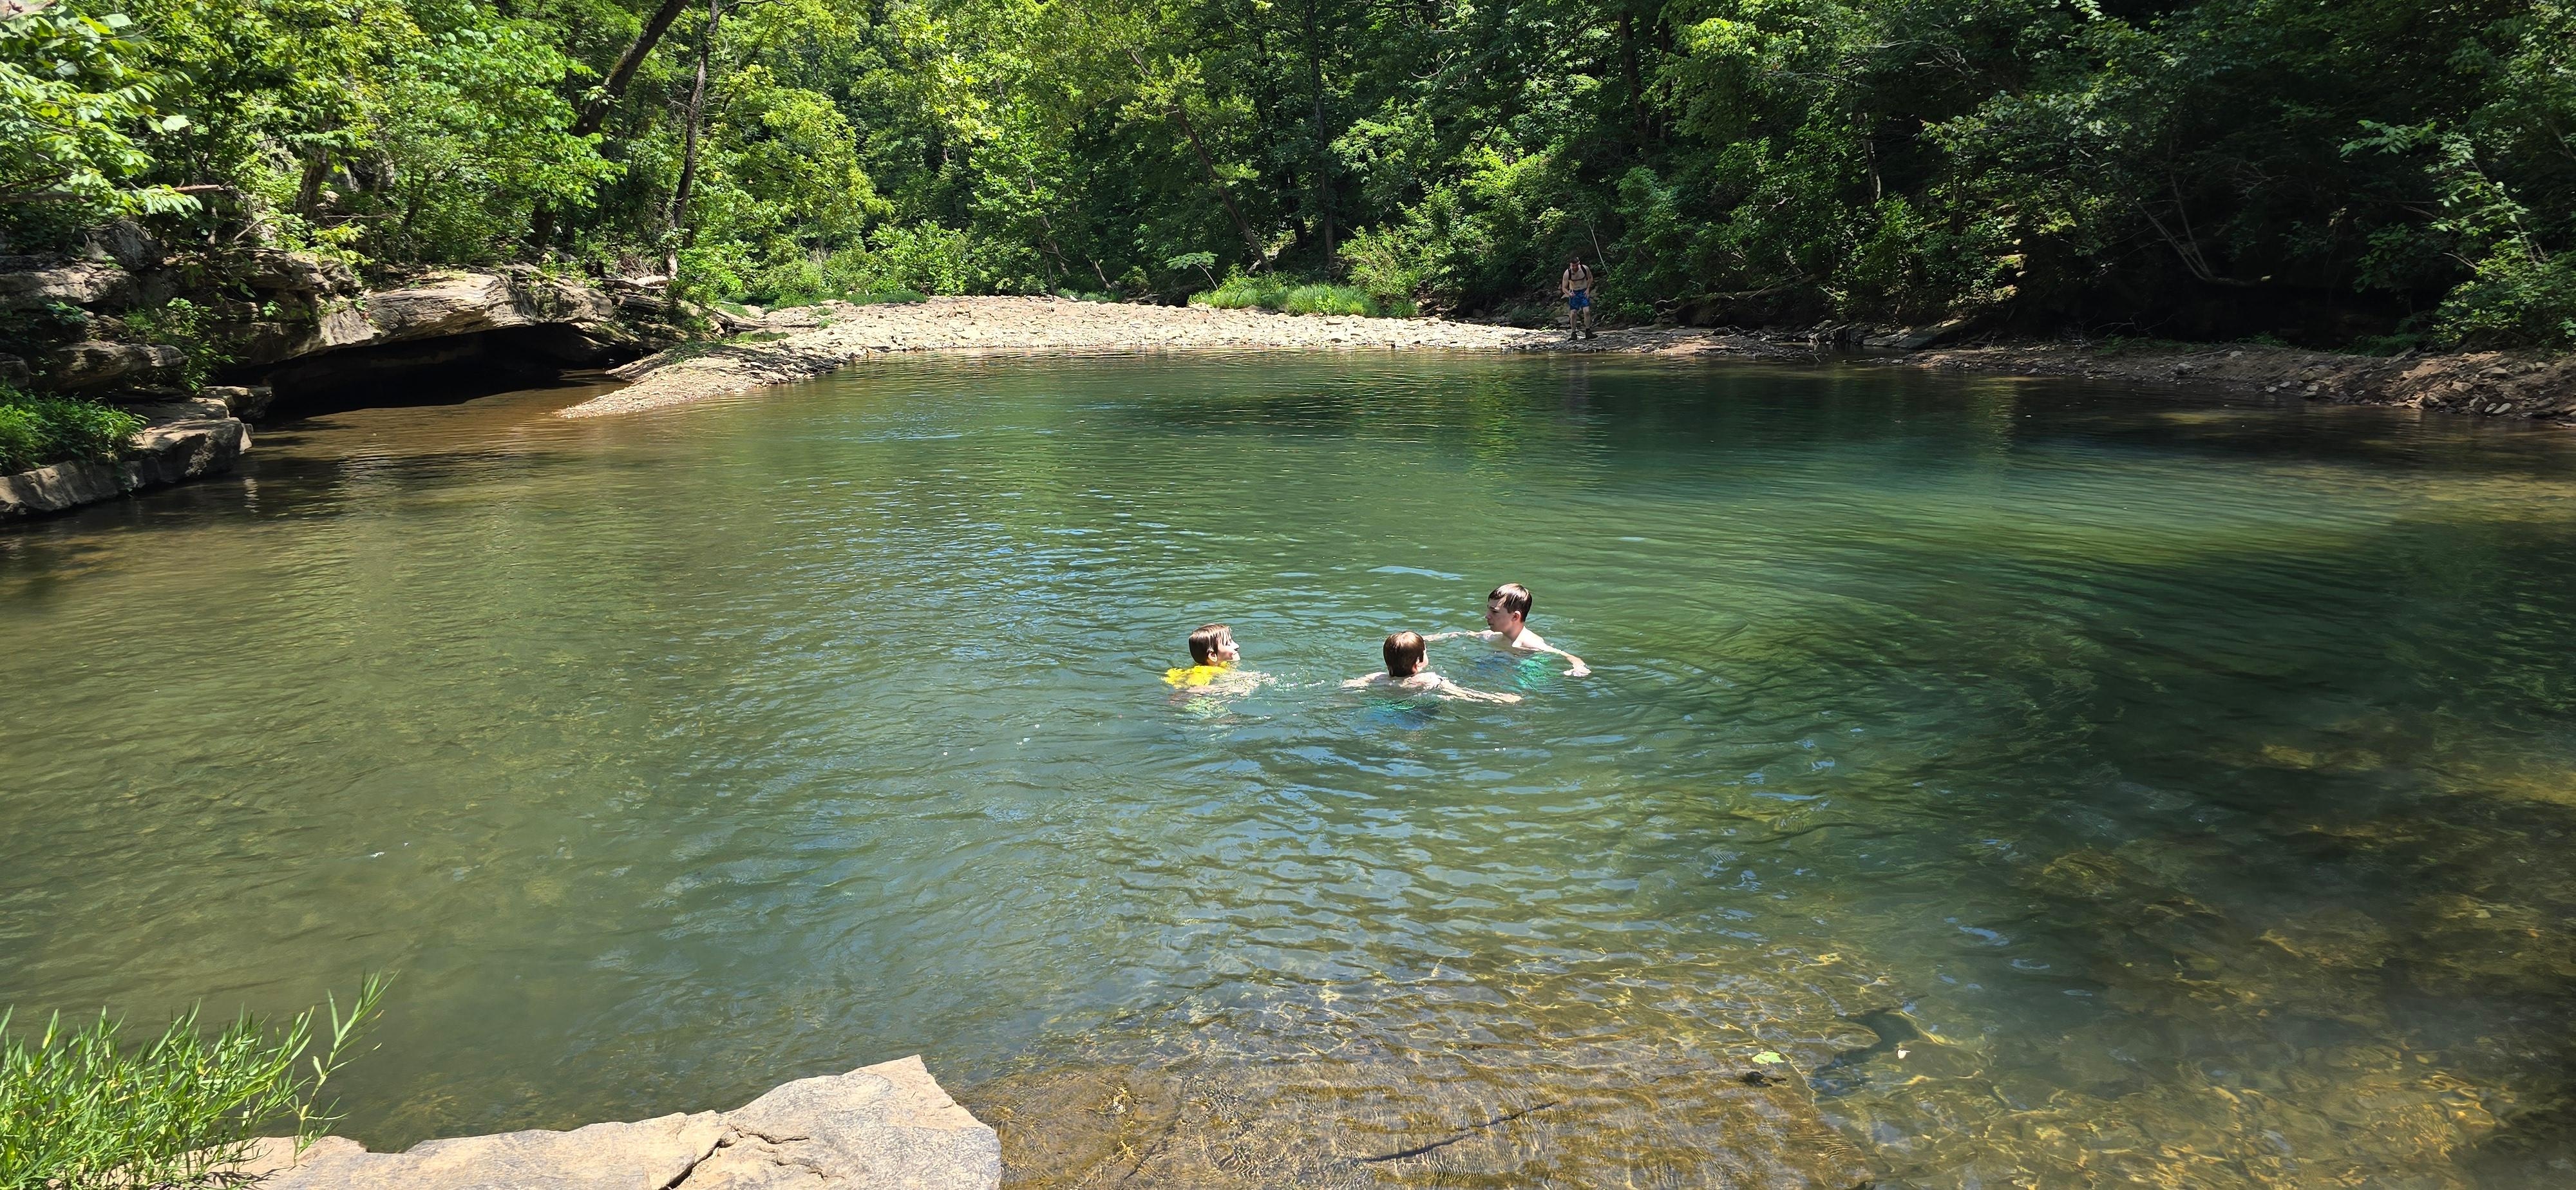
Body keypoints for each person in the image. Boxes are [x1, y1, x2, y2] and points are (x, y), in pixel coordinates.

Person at [1426, 582, 1589, 676]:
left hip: (1526, 668)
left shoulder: (1530, 644)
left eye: (1494, 612)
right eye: (1488, 609)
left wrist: (1579, 667)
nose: (1486, 616)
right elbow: (1465, 635)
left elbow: (1565, 655)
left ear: (1515, 617)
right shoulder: (1493, 636)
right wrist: (1431, 638)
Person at [1341, 630, 1522, 703]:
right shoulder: (1430, 680)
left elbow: (1349, 685)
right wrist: (1499, 698)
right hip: (1417, 710)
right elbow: (1463, 694)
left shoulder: (1376, 678)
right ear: (1419, 662)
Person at [1165, 623, 1243, 690]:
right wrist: (1222, 688)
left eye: (1232, 641)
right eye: (1228, 643)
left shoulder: (1221, 664)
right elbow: (1192, 690)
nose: (1237, 645)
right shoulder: (1201, 673)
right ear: (1213, 655)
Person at [1560, 256, 1596, 341]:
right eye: (1573, 266)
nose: (1575, 267)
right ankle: (1573, 333)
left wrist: (1588, 289)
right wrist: (1569, 294)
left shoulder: (1585, 269)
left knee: (1587, 311)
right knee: (1573, 313)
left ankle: (1588, 331)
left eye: (1576, 265)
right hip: (1574, 293)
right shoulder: (1567, 273)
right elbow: (1564, 288)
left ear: (1579, 264)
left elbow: (1590, 278)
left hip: (1584, 291)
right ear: (1570, 265)